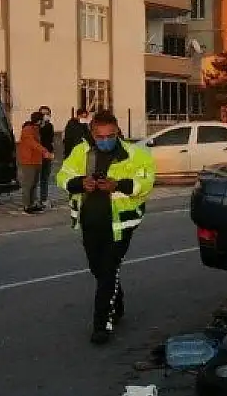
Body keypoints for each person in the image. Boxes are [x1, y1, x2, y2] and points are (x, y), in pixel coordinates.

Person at [56, 110, 156, 344]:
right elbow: (62, 176)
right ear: (92, 133)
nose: (105, 140)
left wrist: (118, 184)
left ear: (118, 132)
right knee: (98, 269)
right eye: (100, 136)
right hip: (90, 222)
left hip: (120, 225)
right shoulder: (81, 152)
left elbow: (146, 182)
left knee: (108, 270)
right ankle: (116, 301)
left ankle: (102, 324)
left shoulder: (135, 153)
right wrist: (79, 183)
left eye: (110, 135)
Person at [17, 112, 53, 214]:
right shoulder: (27, 129)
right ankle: (26, 205)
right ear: (38, 120)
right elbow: (33, 144)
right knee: (28, 184)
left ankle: (32, 203)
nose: (43, 122)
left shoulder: (36, 129)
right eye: (42, 119)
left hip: (36, 160)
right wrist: (45, 151)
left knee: (34, 184)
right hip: (28, 161)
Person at [37, 105, 56, 207]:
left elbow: (50, 141)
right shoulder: (35, 127)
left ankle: (43, 199)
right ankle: (33, 200)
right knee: (35, 179)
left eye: (47, 114)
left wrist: (51, 152)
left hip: (47, 155)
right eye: (43, 114)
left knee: (45, 178)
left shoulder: (50, 126)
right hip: (36, 155)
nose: (45, 116)